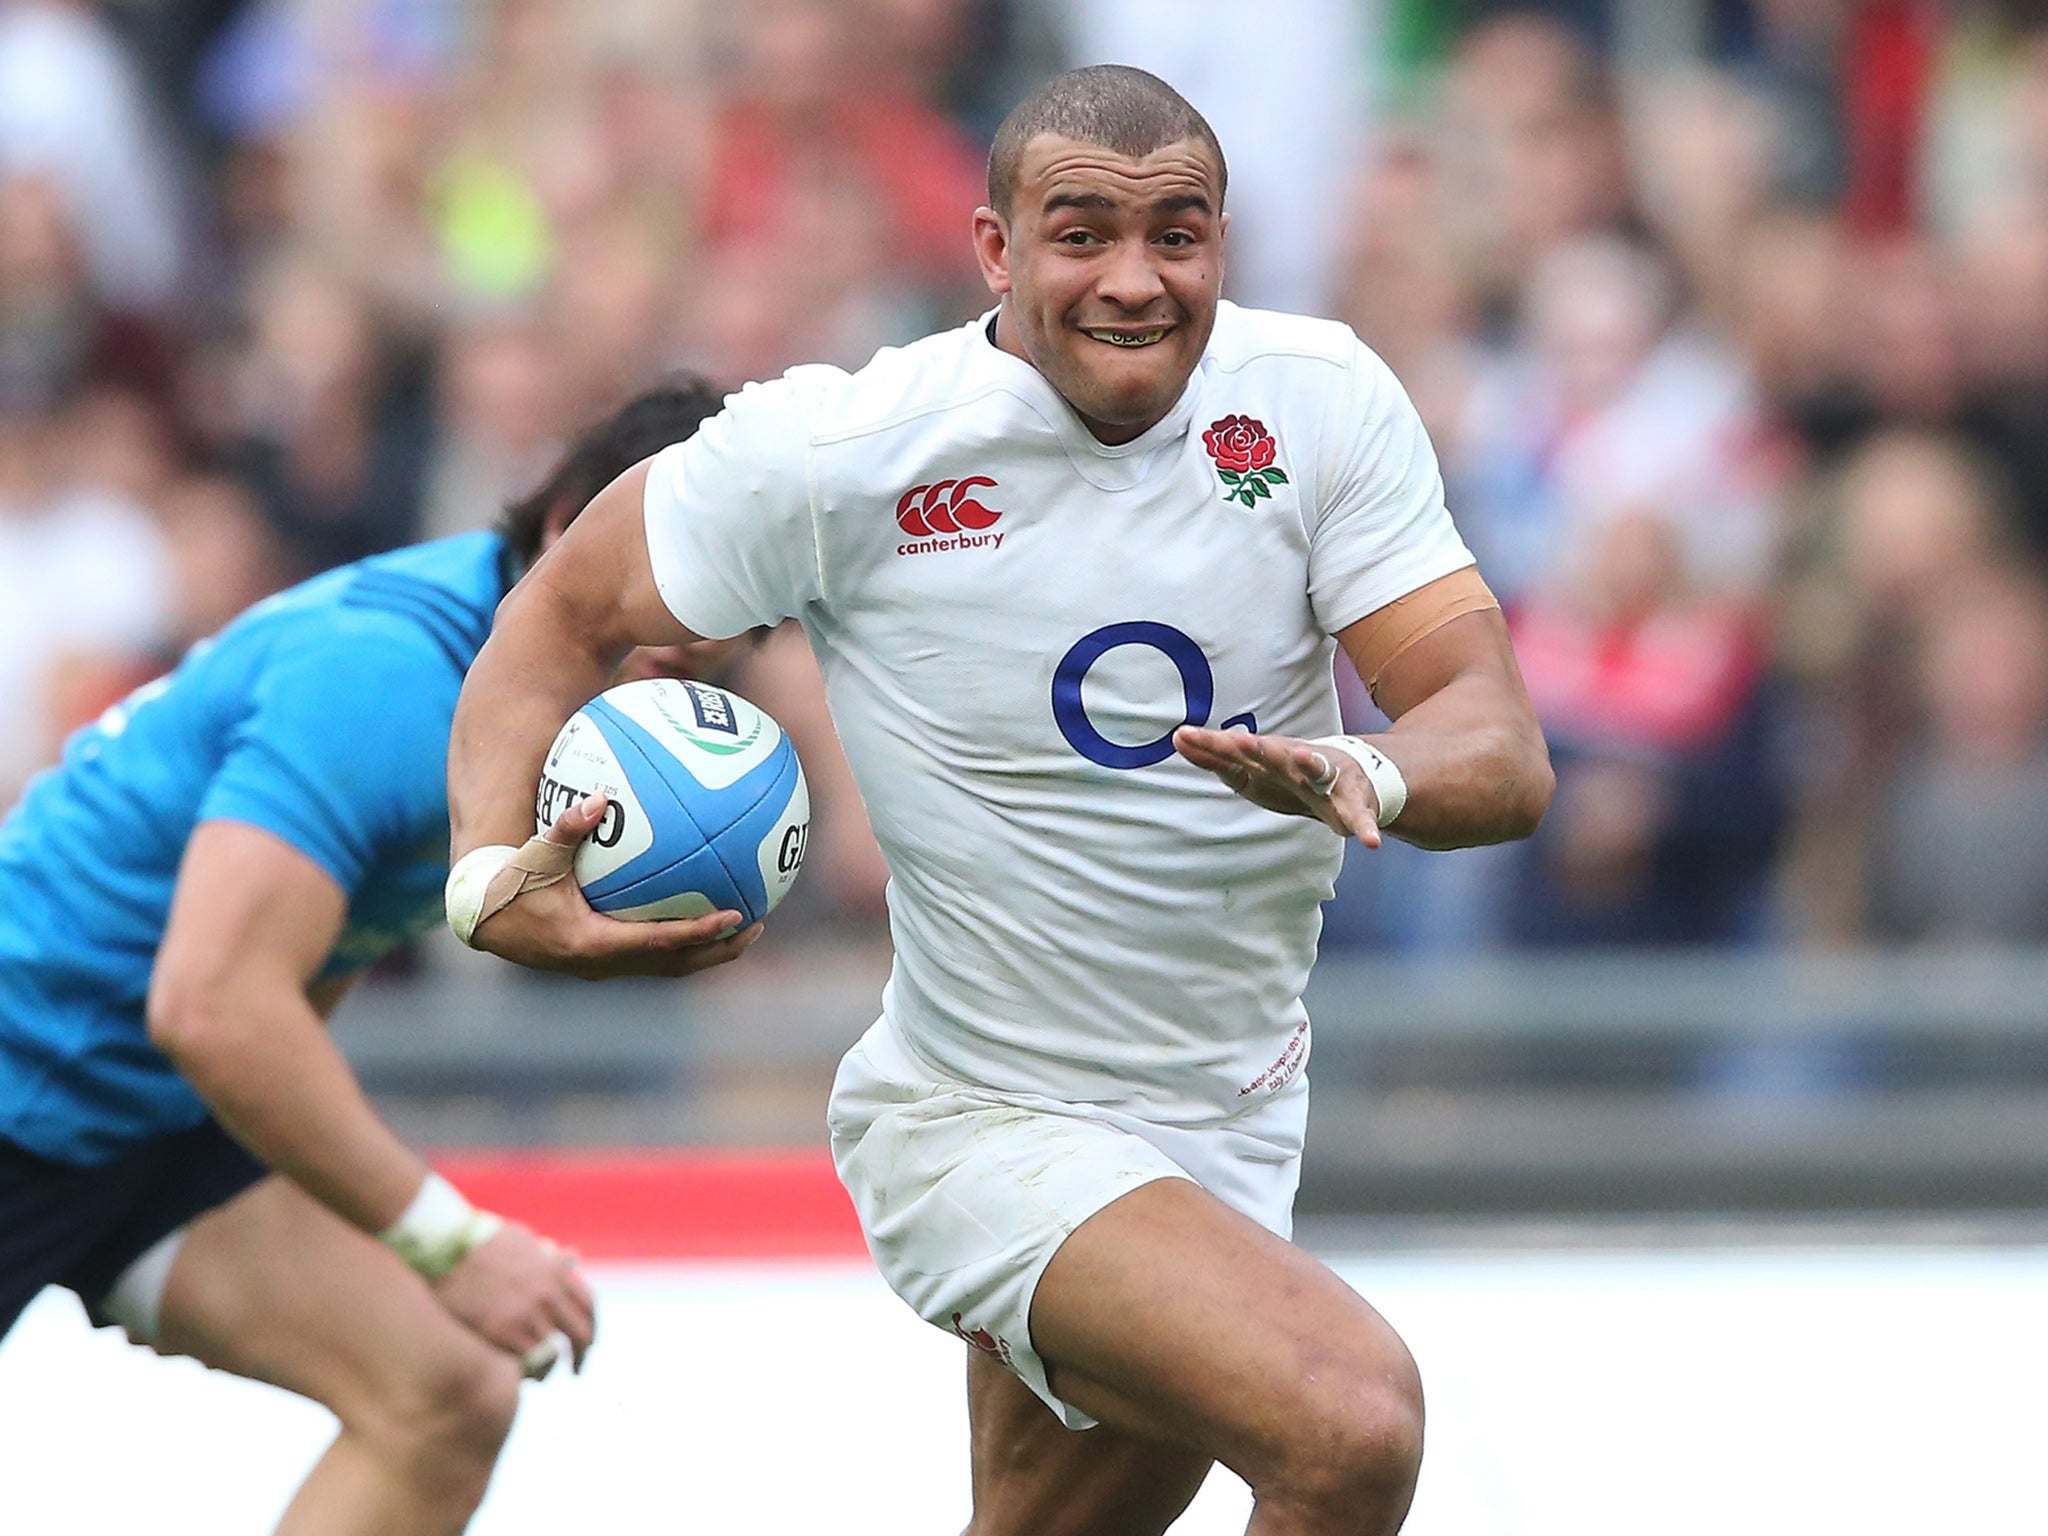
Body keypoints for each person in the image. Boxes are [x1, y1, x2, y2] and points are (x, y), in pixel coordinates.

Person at [447, 66, 1553, 1536]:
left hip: (1226, 1116)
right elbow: (557, 613)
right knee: (1353, 1423)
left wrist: (1370, 767)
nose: (1135, 280)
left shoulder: (1320, 402)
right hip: (980, 1114)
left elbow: (1502, 745)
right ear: (995, 250)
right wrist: (485, 878)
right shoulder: (848, 448)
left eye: (1180, 234)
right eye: (1082, 232)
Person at [0, 377, 745, 1536]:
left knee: (442, 1396)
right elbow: (210, 1003)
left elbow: (302, 961)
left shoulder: (512, 664)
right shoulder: (392, 681)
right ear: (569, 538)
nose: (684, 689)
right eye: (665, 654)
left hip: (138, 1111)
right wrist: (446, 1237)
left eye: (717, 658)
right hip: (26, 1078)